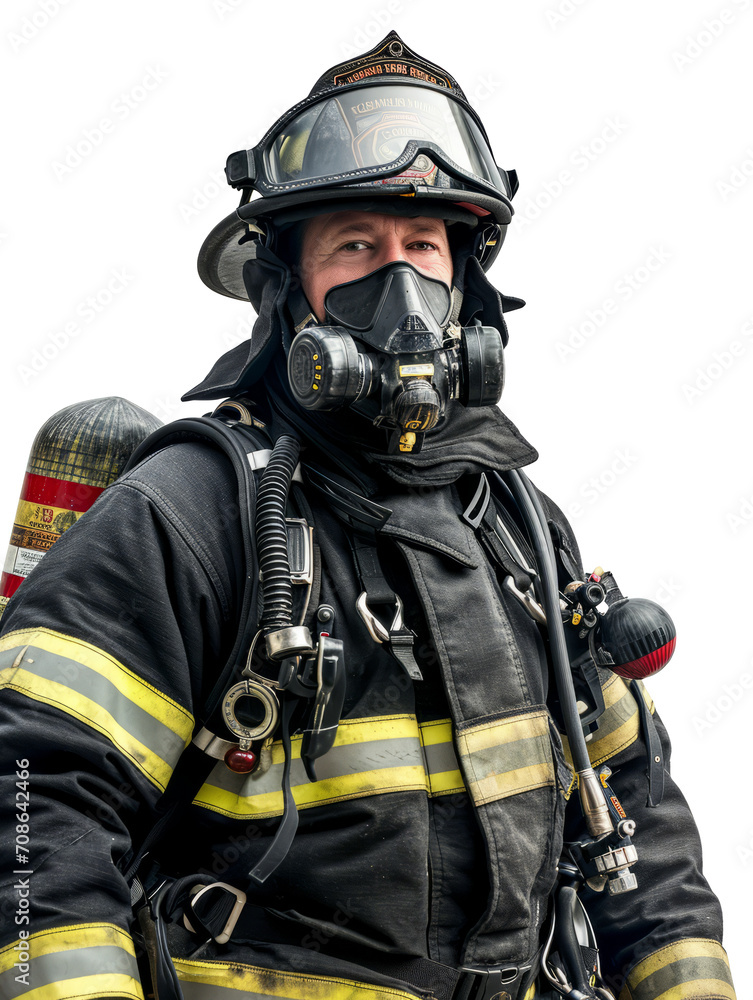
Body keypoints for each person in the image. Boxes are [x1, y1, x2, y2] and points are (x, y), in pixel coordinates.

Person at [0, 31, 736, 1000]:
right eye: (355, 245)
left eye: (424, 247)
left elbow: (637, 820)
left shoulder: (516, 523)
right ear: (284, 289)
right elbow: (38, 804)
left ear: (467, 281)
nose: (401, 289)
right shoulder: (191, 510)